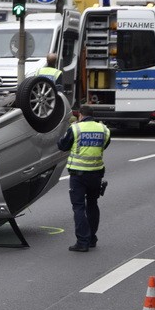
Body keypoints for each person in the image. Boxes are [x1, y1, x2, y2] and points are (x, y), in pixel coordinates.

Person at [57, 105, 110, 252]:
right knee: (92, 204)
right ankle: (92, 238)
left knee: (79, 207)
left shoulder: (76, 129)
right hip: (96, 173)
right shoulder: (103, 129)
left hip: (78, 175)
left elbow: (62, 145)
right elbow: (104, 146)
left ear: (80, 115)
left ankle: (82, 241)